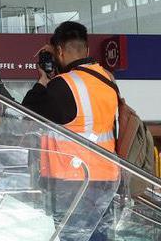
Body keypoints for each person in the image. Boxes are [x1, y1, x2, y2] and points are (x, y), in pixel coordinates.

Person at [23, 21, 119, 241]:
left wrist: (43, 80)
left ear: (58, 50)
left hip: (74, 179)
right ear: (86, 49)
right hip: (106, 177)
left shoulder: (64, 84)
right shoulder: (107, 79)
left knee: (73, 237)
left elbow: (28, 113)